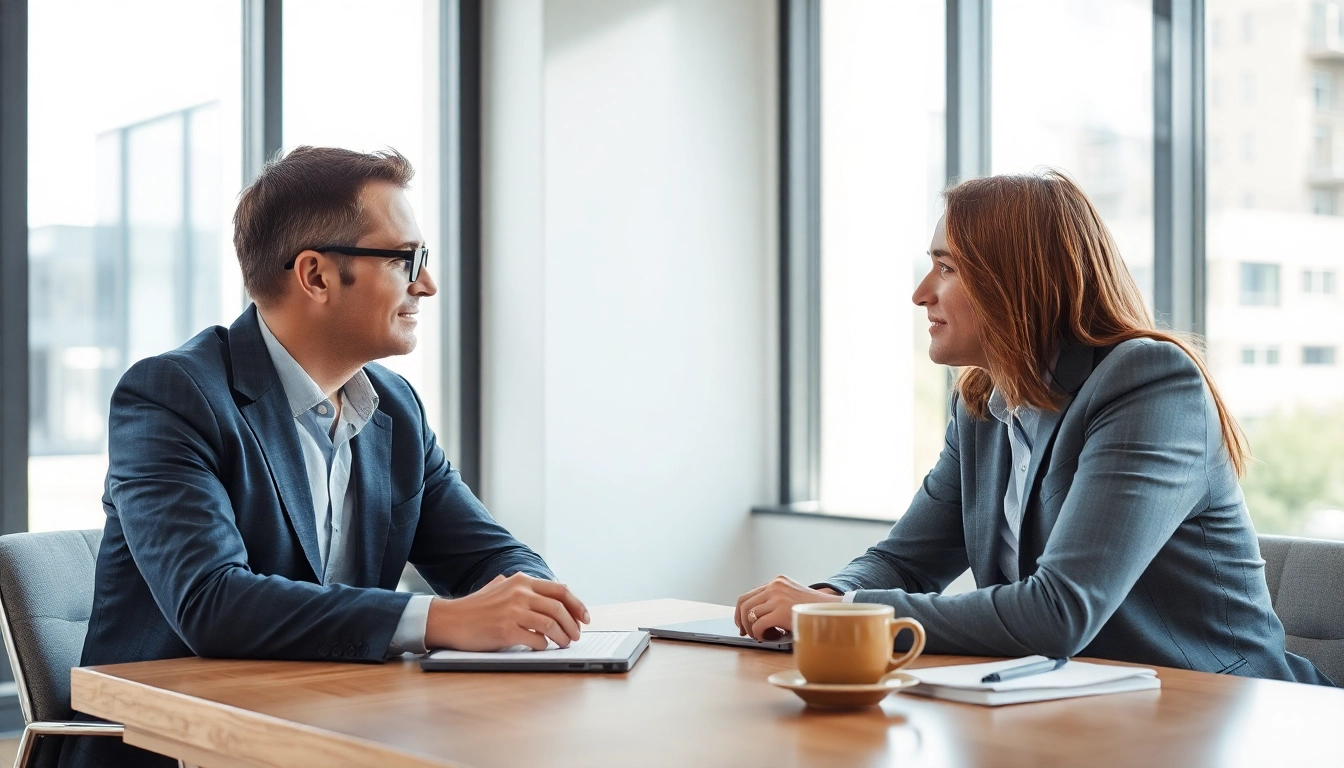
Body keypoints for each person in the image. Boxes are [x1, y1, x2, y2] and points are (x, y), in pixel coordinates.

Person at [61, 147, 590, 768]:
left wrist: (526, 601)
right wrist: (441, 621)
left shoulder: (394, 409)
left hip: (335, 729)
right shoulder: (173, 395)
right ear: (314, 275)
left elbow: (490, 557)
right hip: (182, 750)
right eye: (405, 259)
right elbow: (211, 601)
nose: (427, 283)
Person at [735, 170, 1333, 687]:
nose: (921, 294)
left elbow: (1060, 611)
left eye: (946, 267)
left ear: (1016, 281)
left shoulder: (1148, 383)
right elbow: (905, 561)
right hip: (1077, 708)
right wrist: (830, 598)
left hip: (1231, 716)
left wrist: (843, 617)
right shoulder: (982, 404)